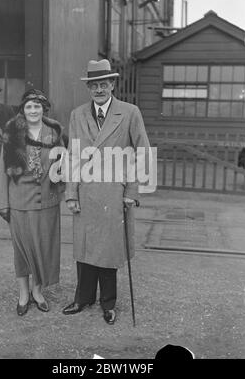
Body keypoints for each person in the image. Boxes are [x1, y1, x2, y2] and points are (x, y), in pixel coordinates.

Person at [62, 59, 151, 325]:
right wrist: (71, 194)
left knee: (109, 250)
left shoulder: (130, 112)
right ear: (89, 88)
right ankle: (83, 298)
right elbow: (73, 155)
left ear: (112, 84)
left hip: (114, 193)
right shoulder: (77, 114)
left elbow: (143, 151)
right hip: (86, 192)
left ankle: (108, 303)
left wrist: (132, 190)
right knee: (86, 247)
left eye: (104, 84)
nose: (99, 89)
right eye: (94, 85)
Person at [0, 89, 66, 316]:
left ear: (43, 108)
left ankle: (37, 292)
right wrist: (3, 202)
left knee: (42, 248)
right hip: (19, 200)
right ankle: (23, 294)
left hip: (47, 200)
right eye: (29, 106)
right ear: (23, 110)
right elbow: (1, 170)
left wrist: (63, 187)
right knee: (22, 249)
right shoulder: (12, 132)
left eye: (37, 106)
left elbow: (64, 164)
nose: (33, 110)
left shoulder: (54, 131)